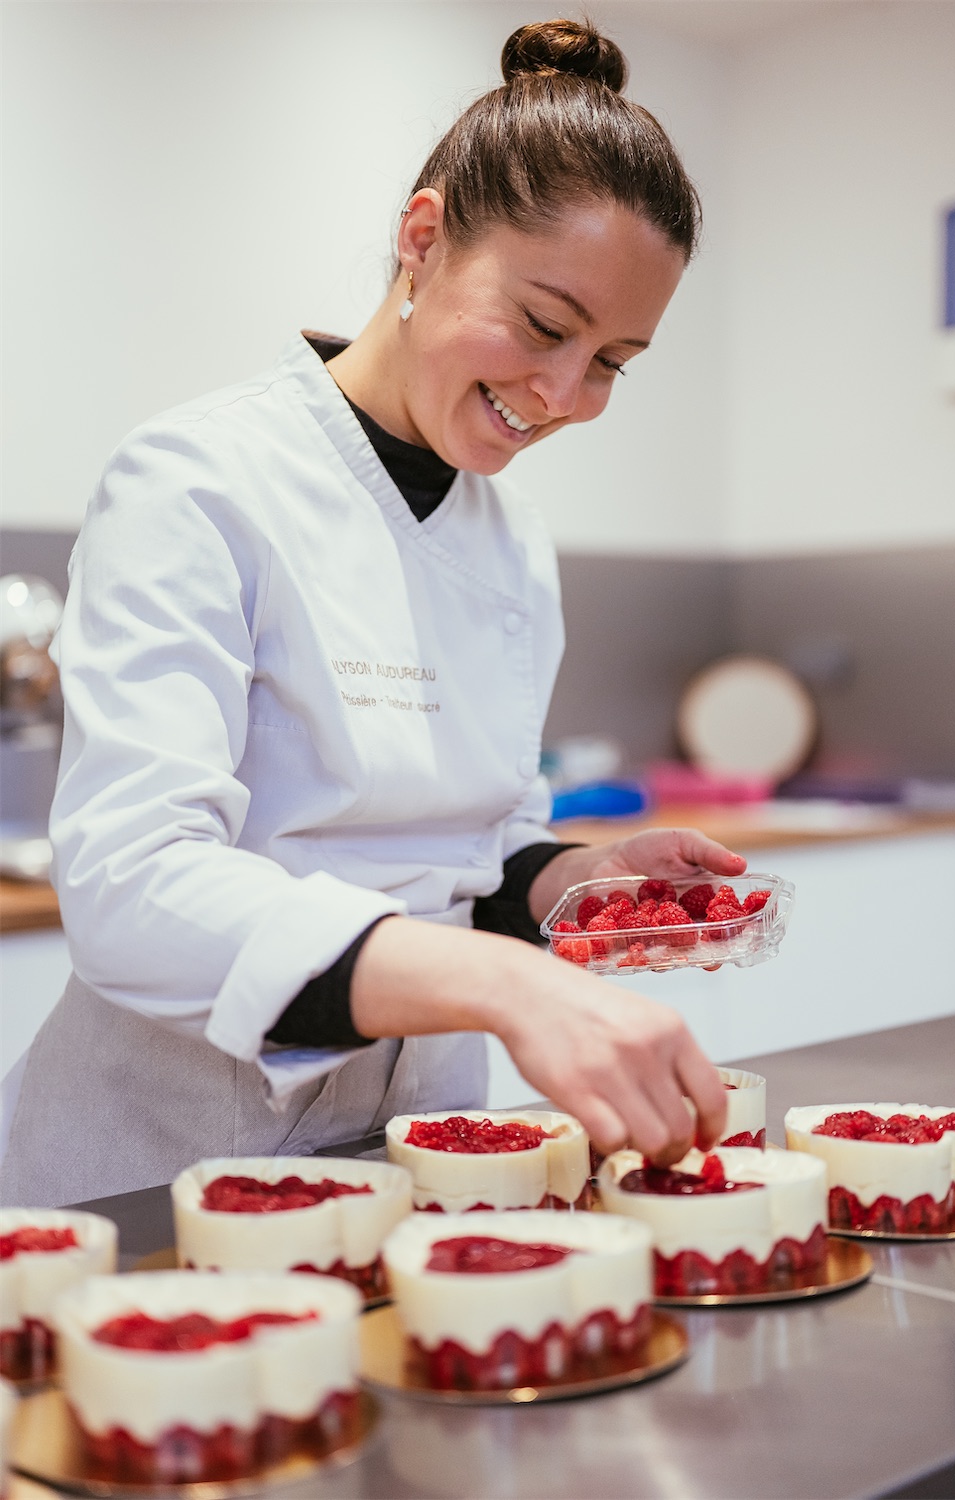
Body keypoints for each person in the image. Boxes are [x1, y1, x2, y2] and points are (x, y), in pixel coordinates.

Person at [1, 18, 748, 1207]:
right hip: (155, 1176)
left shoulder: (513, 547)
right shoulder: (199, 480)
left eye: (613, 360)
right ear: (422, 238)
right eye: (546, 325)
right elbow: (132, 888)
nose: (561, 395)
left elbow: (473, 849)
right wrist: (510, 989)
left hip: (420, 1172)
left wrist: (574, 883)